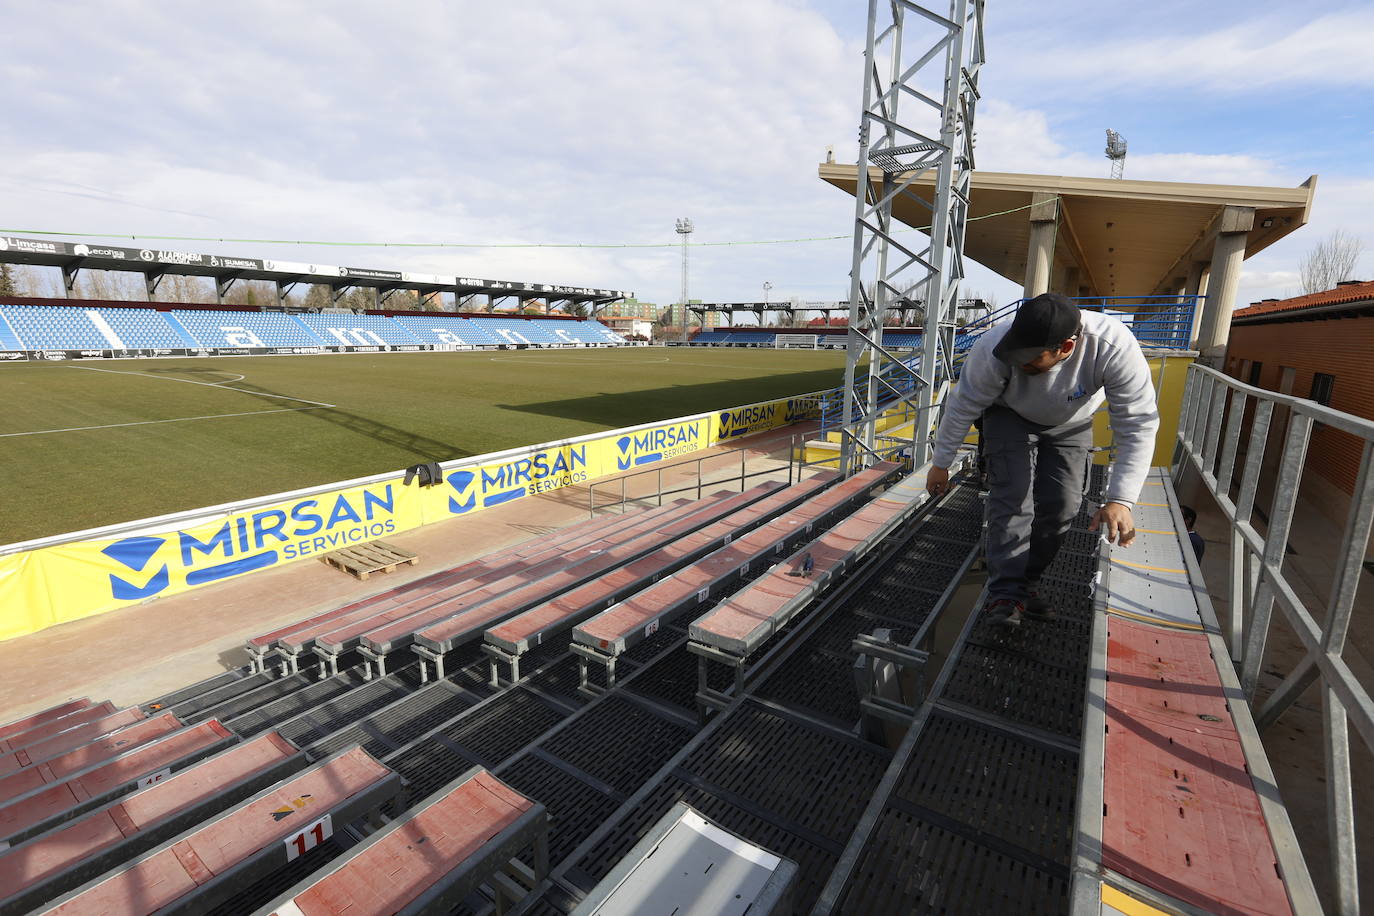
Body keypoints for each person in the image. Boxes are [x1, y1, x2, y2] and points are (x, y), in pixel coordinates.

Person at [926, 293, 1160, 626]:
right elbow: (962, 406)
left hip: (1072, 420)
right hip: (1009, 415)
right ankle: (1004, 594)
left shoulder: (1112, 346)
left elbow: (1137, 423)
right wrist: (941, 462)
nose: (1020, 365)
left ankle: (1027, 584)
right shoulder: (993, 347)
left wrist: (1121, 499)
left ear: (1066, 347)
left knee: (1063, 505)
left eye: (1031, 360)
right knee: (1013, 499)